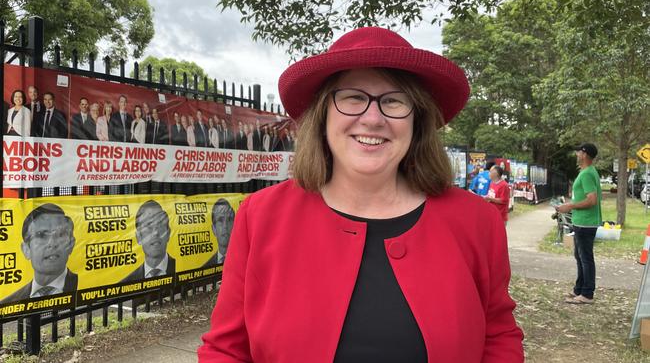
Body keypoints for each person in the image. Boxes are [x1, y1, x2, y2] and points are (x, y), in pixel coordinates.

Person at [199, 26, 523, 362]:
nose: (372, 118)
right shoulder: (262, 215)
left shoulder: (476, 221)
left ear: (418, 119)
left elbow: (498, 336)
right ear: (322, 114)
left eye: (393, 101)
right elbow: (225, 349)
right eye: (353, 97)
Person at [0, 203, 77, 303]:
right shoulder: (7, 303)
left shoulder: (88, 284)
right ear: (26, 249)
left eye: (60, 234)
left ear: (71, 244)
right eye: (41, 235)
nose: (52, 243)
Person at [557, 143, 602, 305]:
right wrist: (569, 204)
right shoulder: (586, 172)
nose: (576, 154)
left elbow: (592, 200)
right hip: (581, 221)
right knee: (580, 256)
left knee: (586, 258)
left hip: (586, 223)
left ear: (585, 154)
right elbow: (584, 197)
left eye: (578, 151)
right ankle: (579, 289)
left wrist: (570, 206)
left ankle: (587, 294)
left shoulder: (588, 174)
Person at [121, 200, 175, 282]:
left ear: (168, 233)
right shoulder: (127, 282)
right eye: (149, 226)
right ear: (138, 237)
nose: (156, 232)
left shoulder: (184, 267)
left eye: (160, 224)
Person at [203, 199, 236, 267]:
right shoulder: (206, 267)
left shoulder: (245, 259)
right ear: (214, 229)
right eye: (220, 220)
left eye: (229, 219)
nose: (225, 226)